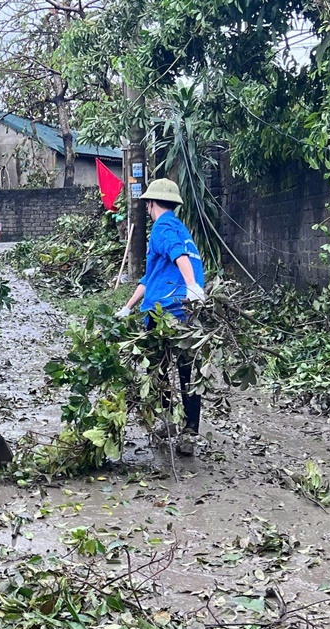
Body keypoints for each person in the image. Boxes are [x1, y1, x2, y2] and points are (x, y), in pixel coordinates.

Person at [115, 178, 206, 454]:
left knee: (157, 368)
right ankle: (188, 431)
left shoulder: (162, 228)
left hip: (165, 313)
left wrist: (191, 286)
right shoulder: (181, 230)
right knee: (187, 372)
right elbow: (150, 277)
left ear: (151, 203)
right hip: (187, 313)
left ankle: (169, 420)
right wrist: (128, 307)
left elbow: (180, 257)